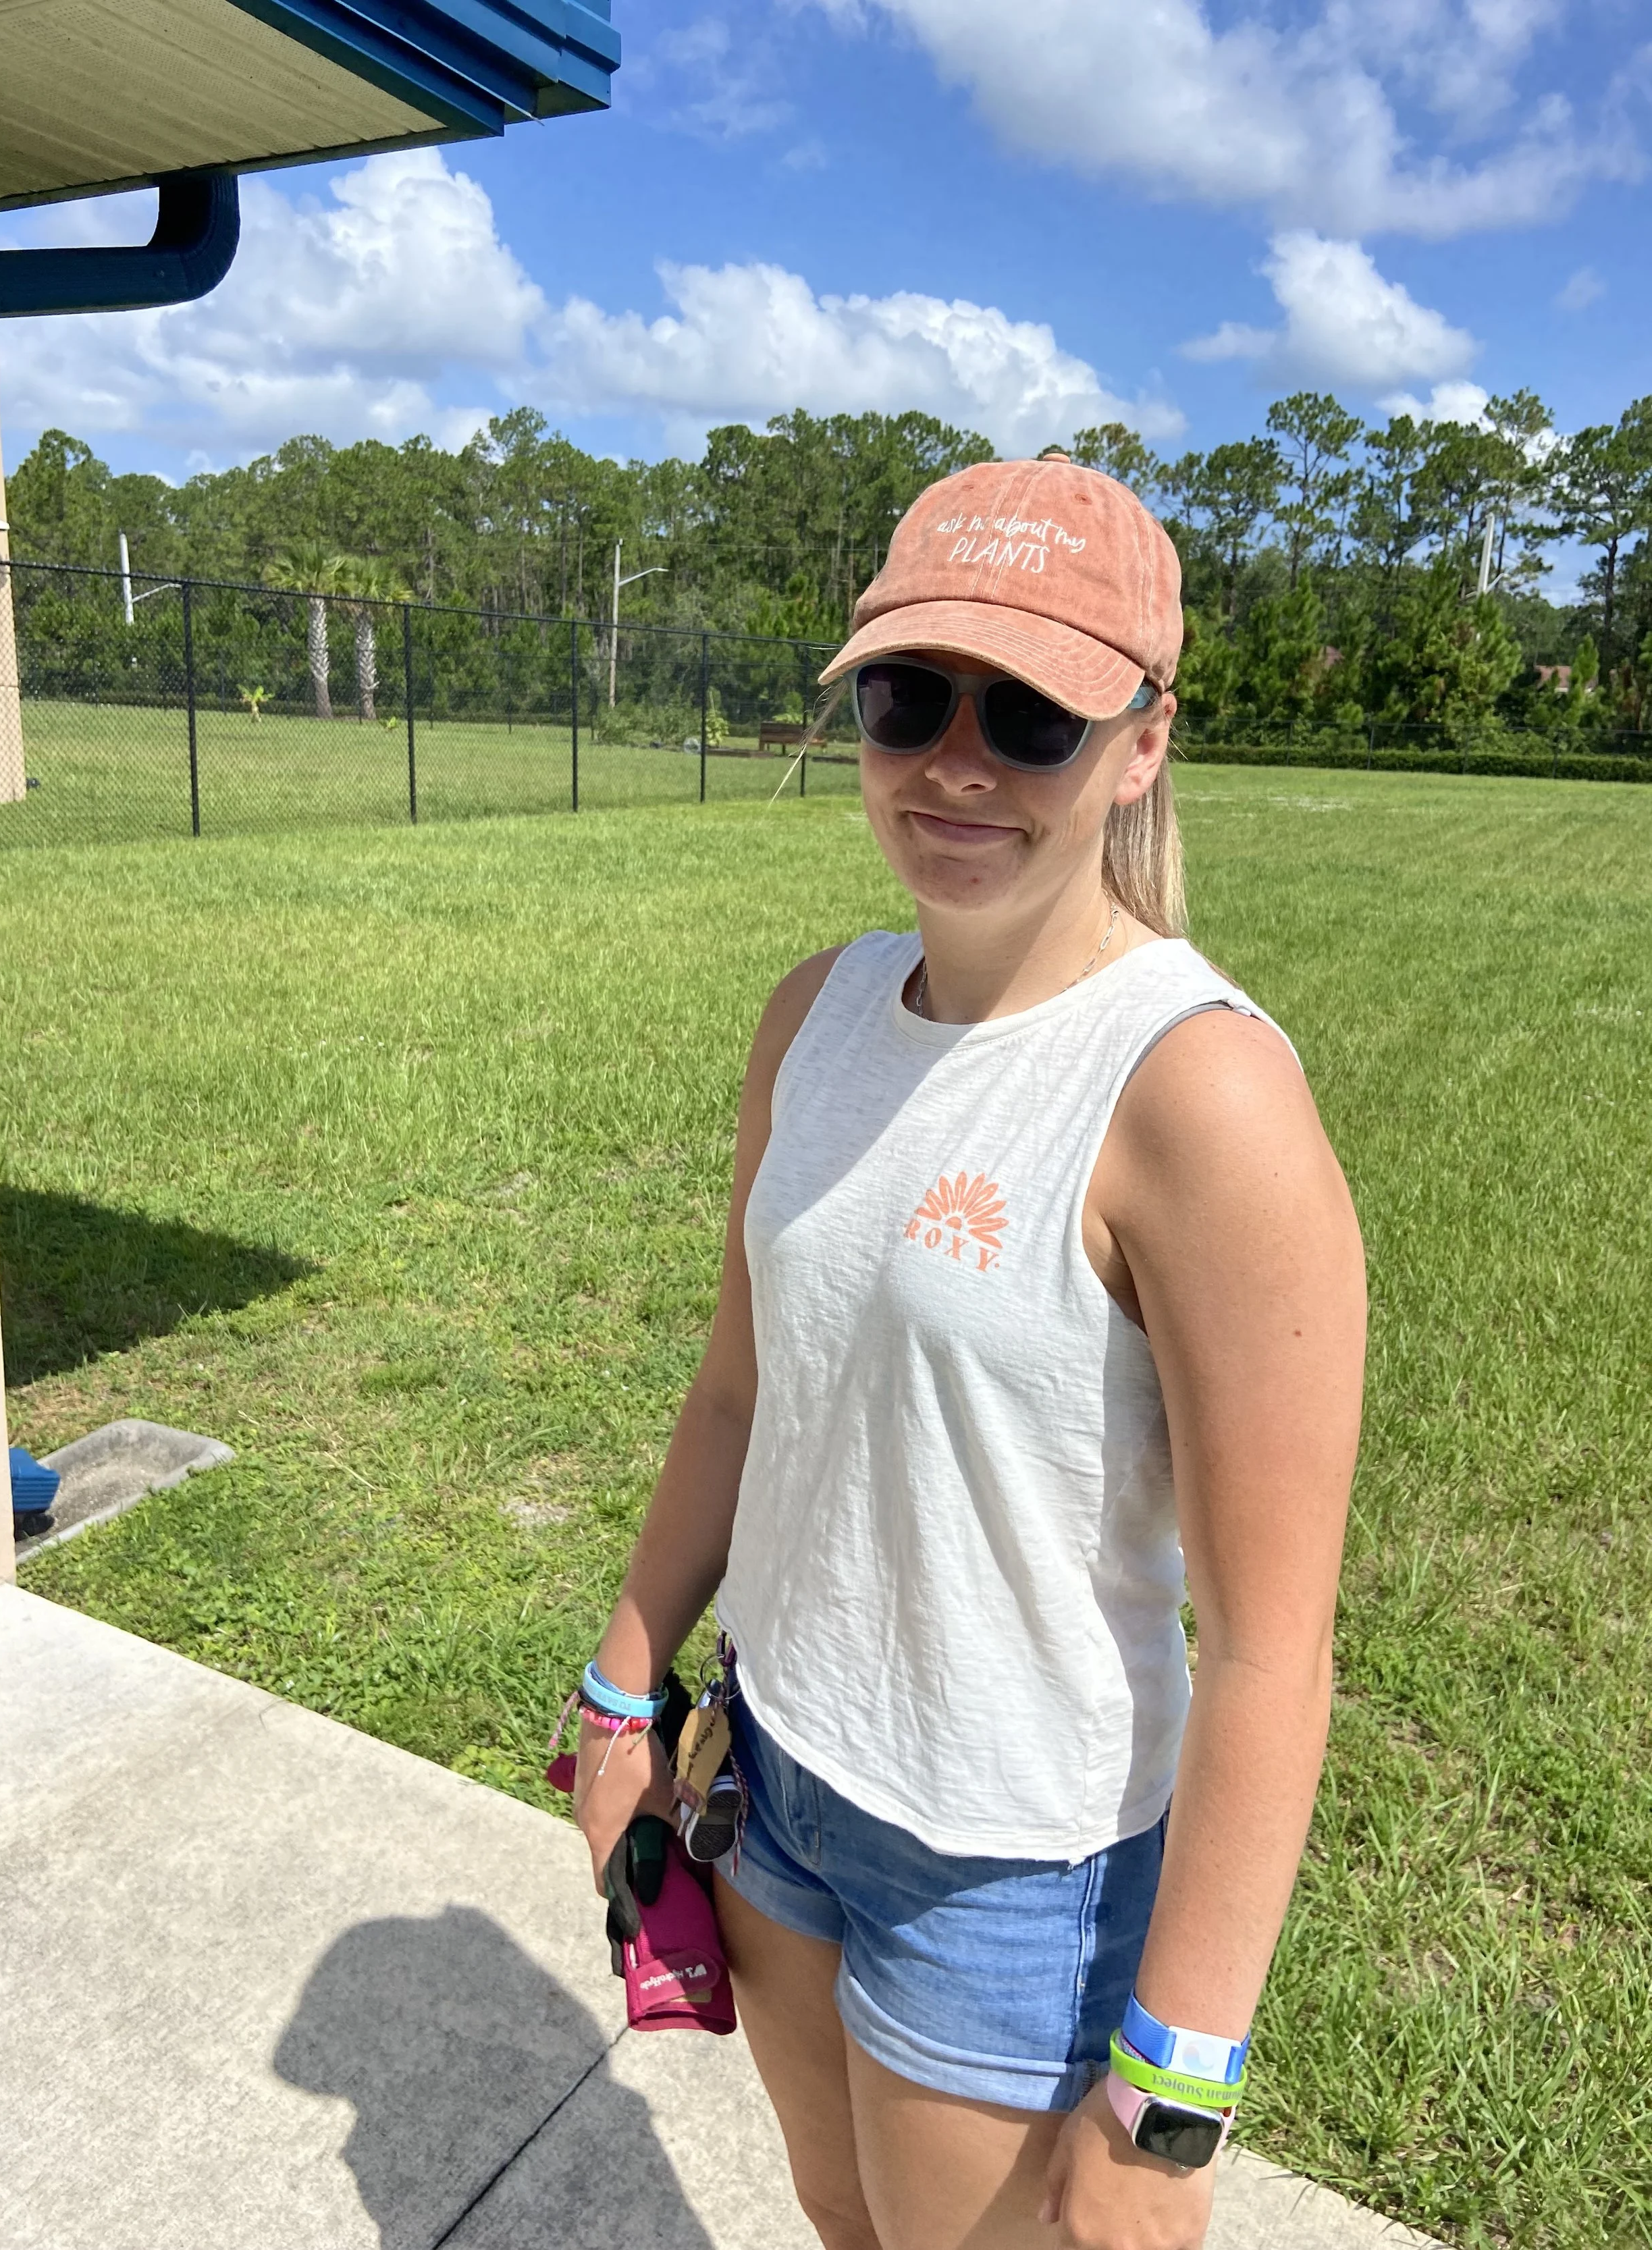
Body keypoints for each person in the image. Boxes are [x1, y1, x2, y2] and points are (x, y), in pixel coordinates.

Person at [573, 454, 1366, 2250]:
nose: (953, 757)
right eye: (911, 695)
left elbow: (1267, 1647)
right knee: (838, 2215)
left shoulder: (1197, 1092)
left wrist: (1168, 2096)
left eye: (1030, 714)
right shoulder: (818, 1009)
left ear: (1143, 741)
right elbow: (733, 1387)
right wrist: (624, 1695)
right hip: (777, 1779)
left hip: (1009, 1864)